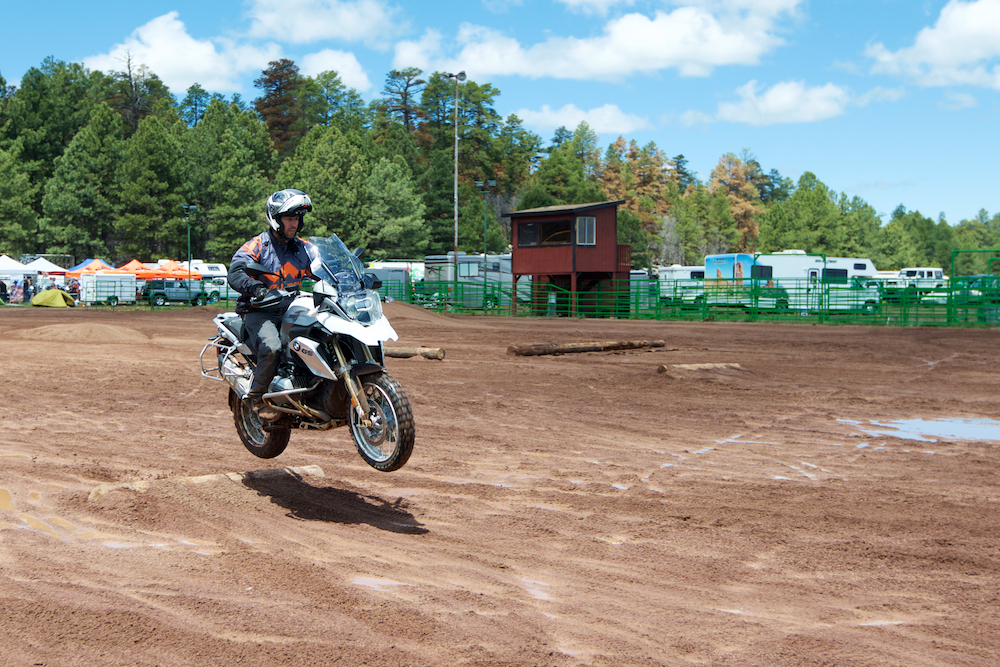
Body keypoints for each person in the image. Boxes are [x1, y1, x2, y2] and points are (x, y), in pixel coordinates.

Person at [228, 189, 316, 421]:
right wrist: (255, 288)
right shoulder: (258, 245)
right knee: (272, 347)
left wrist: (353, 275)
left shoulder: (304, 248)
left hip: (291, 307)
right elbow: (236, 271)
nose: (294, 224)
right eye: (289, 218)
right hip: (259, 309)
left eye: (297, 219)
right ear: (275, 219)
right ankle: (256, 397)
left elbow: (324, 266)